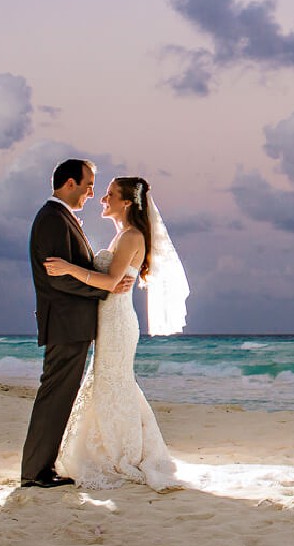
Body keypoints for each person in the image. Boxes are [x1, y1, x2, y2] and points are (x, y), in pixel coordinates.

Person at [45, 175, 190, 491]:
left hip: (118, 323)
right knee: (113, 384)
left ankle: (122, 453)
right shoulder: (124, 237)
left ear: (126, 202)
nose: (102, 198)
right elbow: (111, 281)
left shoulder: (130, 237)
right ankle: (119, 447)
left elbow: (110, 282)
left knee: (114, 383)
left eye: (109, 194)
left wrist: (68, 269)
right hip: (111, 319)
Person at [20, 158, 130, 489]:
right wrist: (105, 288)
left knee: (59, 394)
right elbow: (59, 280)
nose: (91, 193)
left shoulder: (61, 218)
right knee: (55, 394)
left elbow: (67, 272)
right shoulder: (53, 219)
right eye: (88, 186)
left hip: (71, 323)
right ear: (69, 183)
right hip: (66, 323)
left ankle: (41, 467)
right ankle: (36, 472)